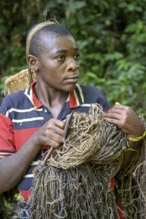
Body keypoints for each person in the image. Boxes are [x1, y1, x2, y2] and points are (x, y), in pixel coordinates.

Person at [0, 19, 145, 218]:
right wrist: (36, 140)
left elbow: (116, 169)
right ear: (34, 63)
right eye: (61, 58)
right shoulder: (13, 106)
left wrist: (136, 135)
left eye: (76, 56)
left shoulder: (93, 100)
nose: (73, 65)